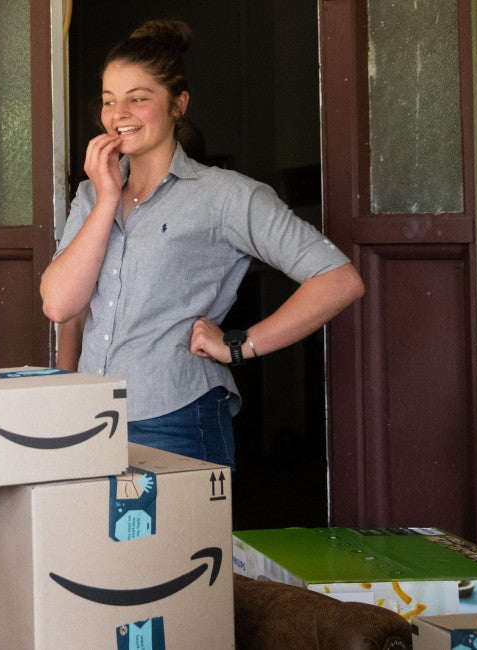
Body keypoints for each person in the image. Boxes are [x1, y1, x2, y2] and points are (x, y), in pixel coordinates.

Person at [39, 19, 364, 467]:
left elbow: (339, 280)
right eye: (110, 101)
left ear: (178, 104)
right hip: (92, 415)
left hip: (177, 417)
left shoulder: (226, 196)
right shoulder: (93, 195)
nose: (119, 115)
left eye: (139, 98)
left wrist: (240, 344)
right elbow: (61, 306)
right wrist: (108, 197)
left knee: (178, 541)